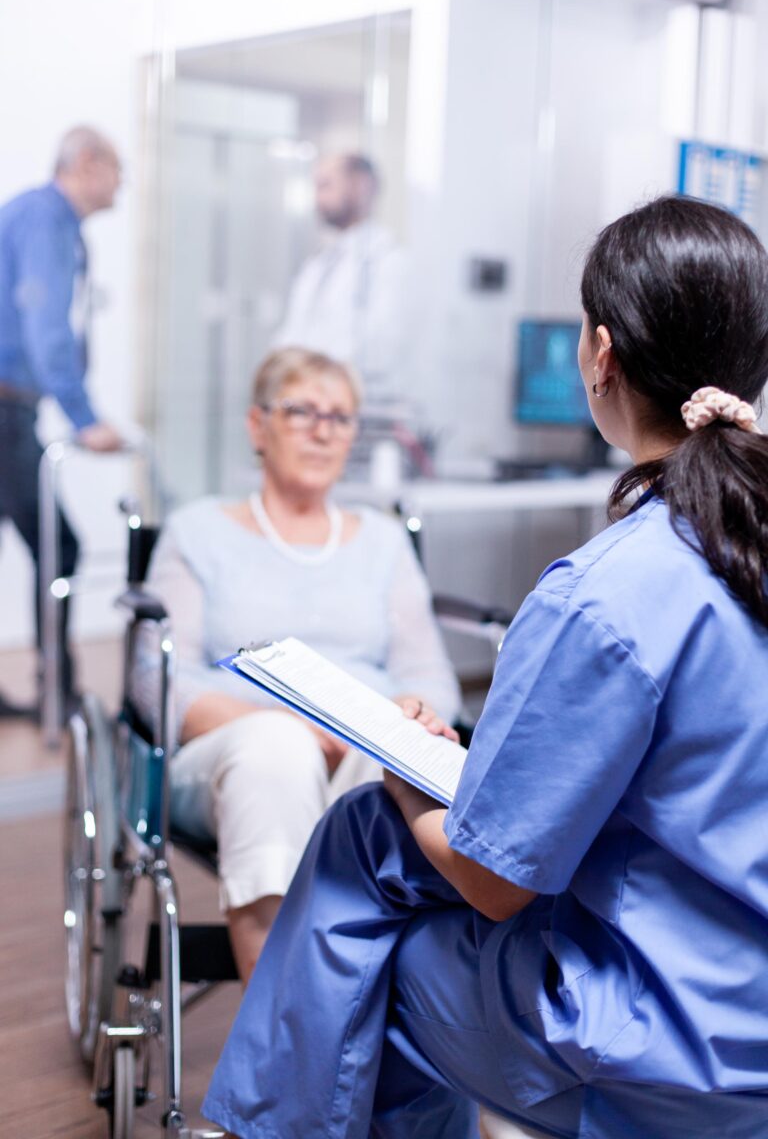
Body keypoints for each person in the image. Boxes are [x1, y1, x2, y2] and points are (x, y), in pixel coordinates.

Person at [202, 196, 768, 1139]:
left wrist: (397, 769)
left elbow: (495, 884)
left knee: (361, 874)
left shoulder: (605, 594)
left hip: (663, 1045)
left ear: (599, 356)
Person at [133, 346, 460, 983]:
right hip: (230, 750)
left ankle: (380, 1005)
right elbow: (156, 679)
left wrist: (417, 713)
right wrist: (291, 725)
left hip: (363, 746)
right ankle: (282, 1023)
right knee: (275, 747)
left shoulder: (382, 540)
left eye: (339, 417)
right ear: (258, 426)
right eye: (301, 410)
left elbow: (429, 672)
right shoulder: (198, 531)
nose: (321, 429)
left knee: (398, 752)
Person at [0, 126, 123, 716]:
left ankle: (52, 685)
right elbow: (44, 324)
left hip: (12, 408)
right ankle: (58, 690)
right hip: (4, 409)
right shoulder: (45, 218)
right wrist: (84, 417)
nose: (120, 182)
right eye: (115, 169)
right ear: (87, 163)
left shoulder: (43, 218)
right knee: (61, 549)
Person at [272, 154, 408, 402]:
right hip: (307, 400)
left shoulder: (389, 263)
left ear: (361, 187)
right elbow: (291, 334)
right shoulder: (318, 265)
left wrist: (313, 378)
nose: (317, 199)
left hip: (354, 407)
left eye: (325, 186)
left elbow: (379, 349)